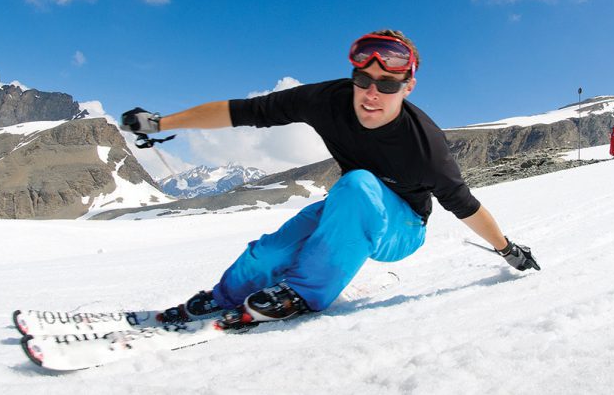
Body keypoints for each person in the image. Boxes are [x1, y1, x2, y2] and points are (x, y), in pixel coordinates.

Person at [119, 30, 541, 329]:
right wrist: (160, 121)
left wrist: (508, 250)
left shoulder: (425, 146)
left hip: (403, 228)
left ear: (408, 87)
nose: (371, 93)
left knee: (357, 184)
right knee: (271, 252)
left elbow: (465, 205)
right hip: (348, 207)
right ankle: (226, 294)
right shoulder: (327, 100)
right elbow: (241, 112)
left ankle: (304, 293)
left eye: (387, 84)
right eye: (363, 80)